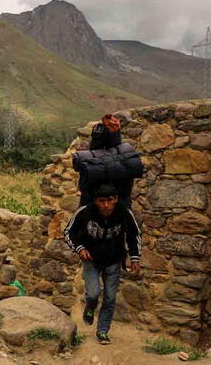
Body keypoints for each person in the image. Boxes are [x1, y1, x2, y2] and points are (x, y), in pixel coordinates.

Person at [64, 183, 141, 345]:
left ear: (116, 199)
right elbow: (69, 232)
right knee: (92, 294)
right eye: (101, 201)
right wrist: (80, 248)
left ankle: (103, 331)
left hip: (113, 260)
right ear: (95, 201)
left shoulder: (124, 213)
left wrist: (135, 258)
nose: (106, 205)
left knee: (110, 298)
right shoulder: (85, 212)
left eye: (110, 200)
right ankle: (90, 308)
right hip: (91, 260)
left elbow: (133, 235)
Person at [79, 114, 134, 208]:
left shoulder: (90, 163)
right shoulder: (124, 162)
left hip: (93, 208)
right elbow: (126, 190)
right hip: (118, 208)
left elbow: (84, 188)